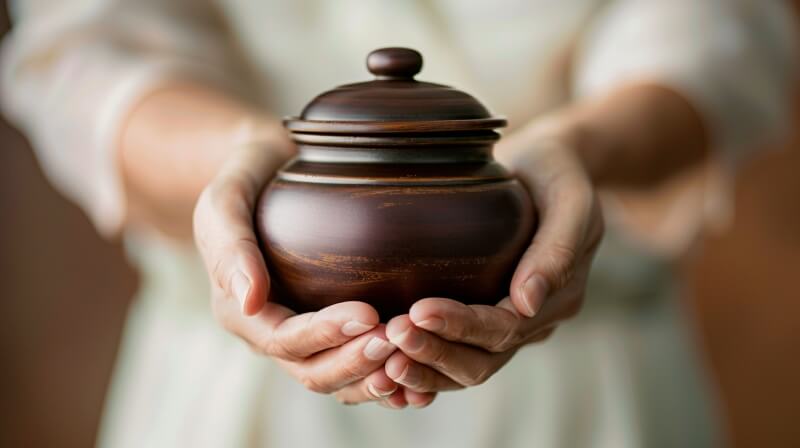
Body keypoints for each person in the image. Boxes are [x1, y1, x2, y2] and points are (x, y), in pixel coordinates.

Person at [2, 0, 796, 447]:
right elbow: (80, 51)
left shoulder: (497, 177)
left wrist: (572, 150)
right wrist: (239, 156)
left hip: (593, 397)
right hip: (234, 396)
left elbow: (718, 39)